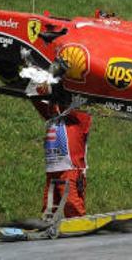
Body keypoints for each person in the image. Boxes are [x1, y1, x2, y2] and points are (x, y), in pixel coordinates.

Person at [29, 77, 91, 219]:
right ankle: (48, 227)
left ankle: (78, 230)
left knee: (72, 205)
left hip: (71, 169)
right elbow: (37, 100)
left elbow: (69, 106)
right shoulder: (53, 116)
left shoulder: (81, 118)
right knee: (48, 207)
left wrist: (59, 88)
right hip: (53, 169)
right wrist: (35, 82)